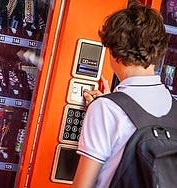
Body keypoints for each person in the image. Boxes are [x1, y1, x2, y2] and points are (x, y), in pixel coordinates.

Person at [71, 1, 170, 188]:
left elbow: (83, 185)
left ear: (115, 52)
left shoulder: (105, 109)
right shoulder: (174, 108)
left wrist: (107, 106)